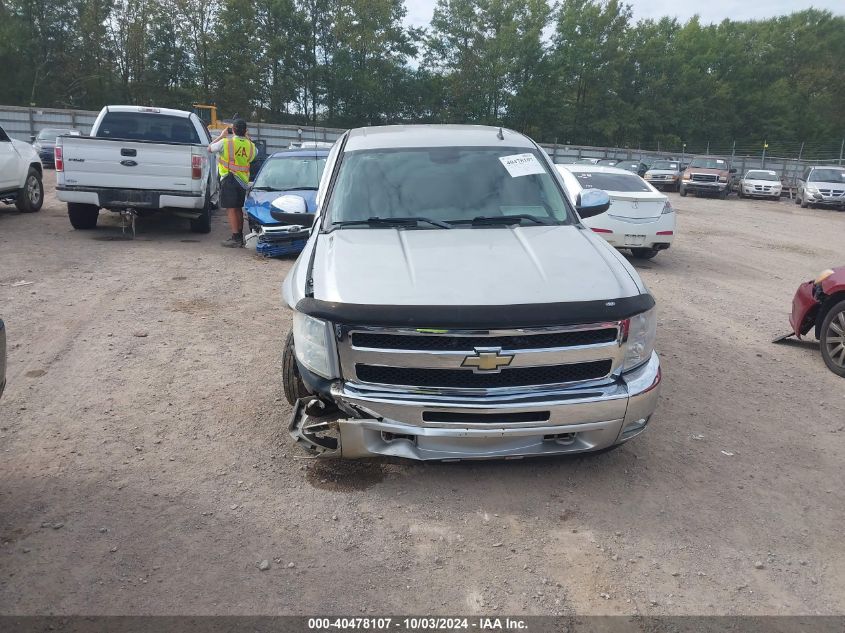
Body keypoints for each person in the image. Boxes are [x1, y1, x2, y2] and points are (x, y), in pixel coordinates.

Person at [208, 118, 257, 248]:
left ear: (233, 130)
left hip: (229, 179)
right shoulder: (251, 146)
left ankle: (236, 238)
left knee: (231, 209)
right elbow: (253, 156)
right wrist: (247, 138)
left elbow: (209, 148)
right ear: (246, 131)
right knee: (238, 209)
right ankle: (239, 235)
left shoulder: (225, 142)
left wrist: (221, 136)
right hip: (243, 181)